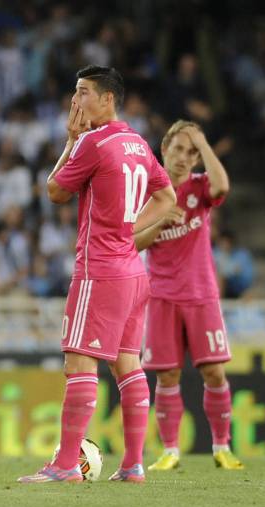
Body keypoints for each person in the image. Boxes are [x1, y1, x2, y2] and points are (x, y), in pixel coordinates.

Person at [18, 65, 176, 483]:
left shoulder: (93, 141)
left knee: (78, 362)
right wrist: (130, 232)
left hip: (100, 271)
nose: (76, 101)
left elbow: (54, 192)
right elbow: (167, 197)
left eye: (84, 92)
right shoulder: (138, 144)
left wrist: (70, 141)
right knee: (127, 364)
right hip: (133, 272)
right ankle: (133, 465)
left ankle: (66, 465)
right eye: (74, 92)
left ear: (108, 99)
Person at [135, 120, 244, 471]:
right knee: (167, 376)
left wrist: (203, 142)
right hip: (162, 297)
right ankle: (170, 451)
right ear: (164, 149)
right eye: (179, 148)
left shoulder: (201, 188)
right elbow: (131, 242)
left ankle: (222, 447)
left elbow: (223, 184)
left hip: (201, 296)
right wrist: (161, 219)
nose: (183, 157)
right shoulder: (148, 195)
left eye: (191, 152)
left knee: (214, 372)